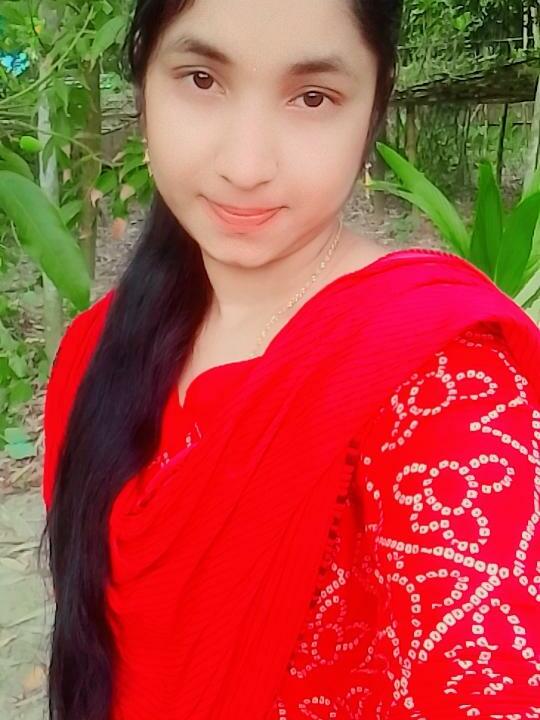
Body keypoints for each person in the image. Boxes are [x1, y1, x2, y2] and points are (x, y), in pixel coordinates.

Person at [39, 0, 540, 718]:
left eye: (313, 97)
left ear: (374, 109)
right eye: (202, 79)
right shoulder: (94, 349)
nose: (246, 167)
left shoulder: (443, 374)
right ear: (143, 85)